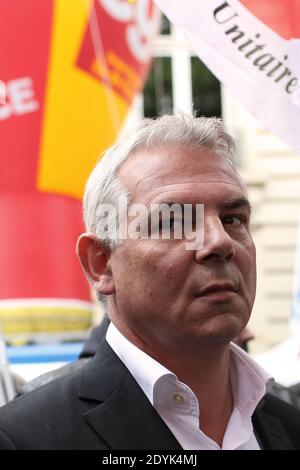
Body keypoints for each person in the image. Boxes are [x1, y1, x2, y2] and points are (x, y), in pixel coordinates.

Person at [0, 113, 300, 450]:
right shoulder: (24, 439)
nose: (219, 241)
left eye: (232, 219)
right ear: (101, 263)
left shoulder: (290, 427)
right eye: (174, 221)